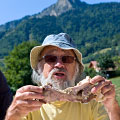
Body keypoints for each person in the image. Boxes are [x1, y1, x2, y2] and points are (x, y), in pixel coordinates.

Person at [5, 33, 120, 120]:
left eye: (67, 59)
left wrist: (112, 106)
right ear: (40, 67)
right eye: (50, 59)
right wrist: (12, 116)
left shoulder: (92, 102)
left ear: (76, 68)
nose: (59, 64)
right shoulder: (26, 104)